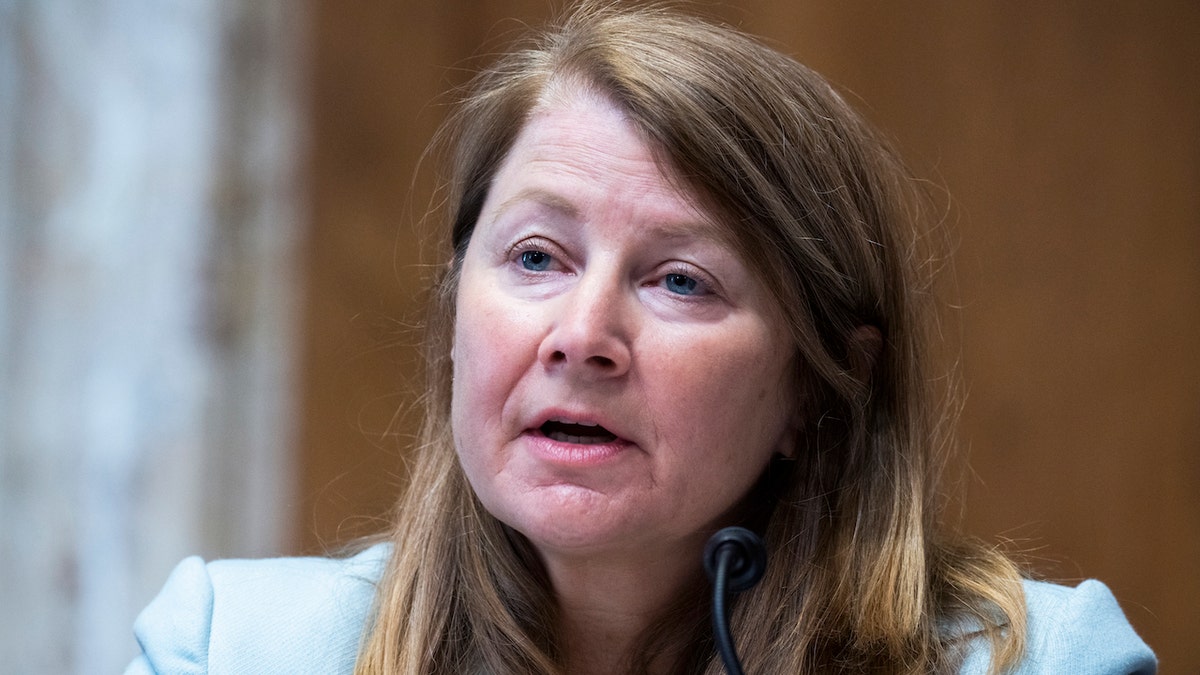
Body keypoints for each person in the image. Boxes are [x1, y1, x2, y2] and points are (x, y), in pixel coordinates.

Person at [126, 3, 1156, 674]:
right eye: (535, 258)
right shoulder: (227, 648)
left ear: (819, 383)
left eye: (680, 280)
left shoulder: (1047, 660)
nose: (583, 336)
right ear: (453, 315)